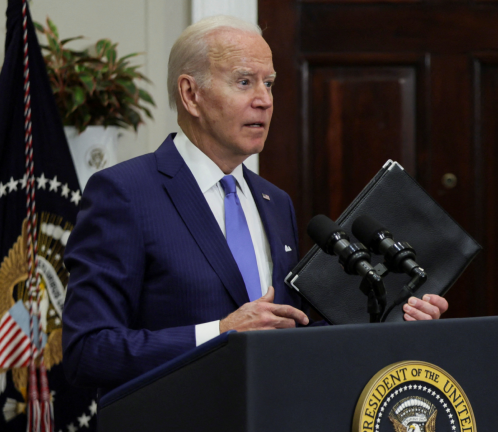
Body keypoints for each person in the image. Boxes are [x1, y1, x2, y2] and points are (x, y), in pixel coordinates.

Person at [61, 15, 448, 392]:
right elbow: (88, 352)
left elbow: (286, 333)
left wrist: (388, 319)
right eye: (244, 82)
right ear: (191, 94)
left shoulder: (275, 201)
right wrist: (220, 333)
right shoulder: (124, 193)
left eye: (269, 83)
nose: (264, 100)